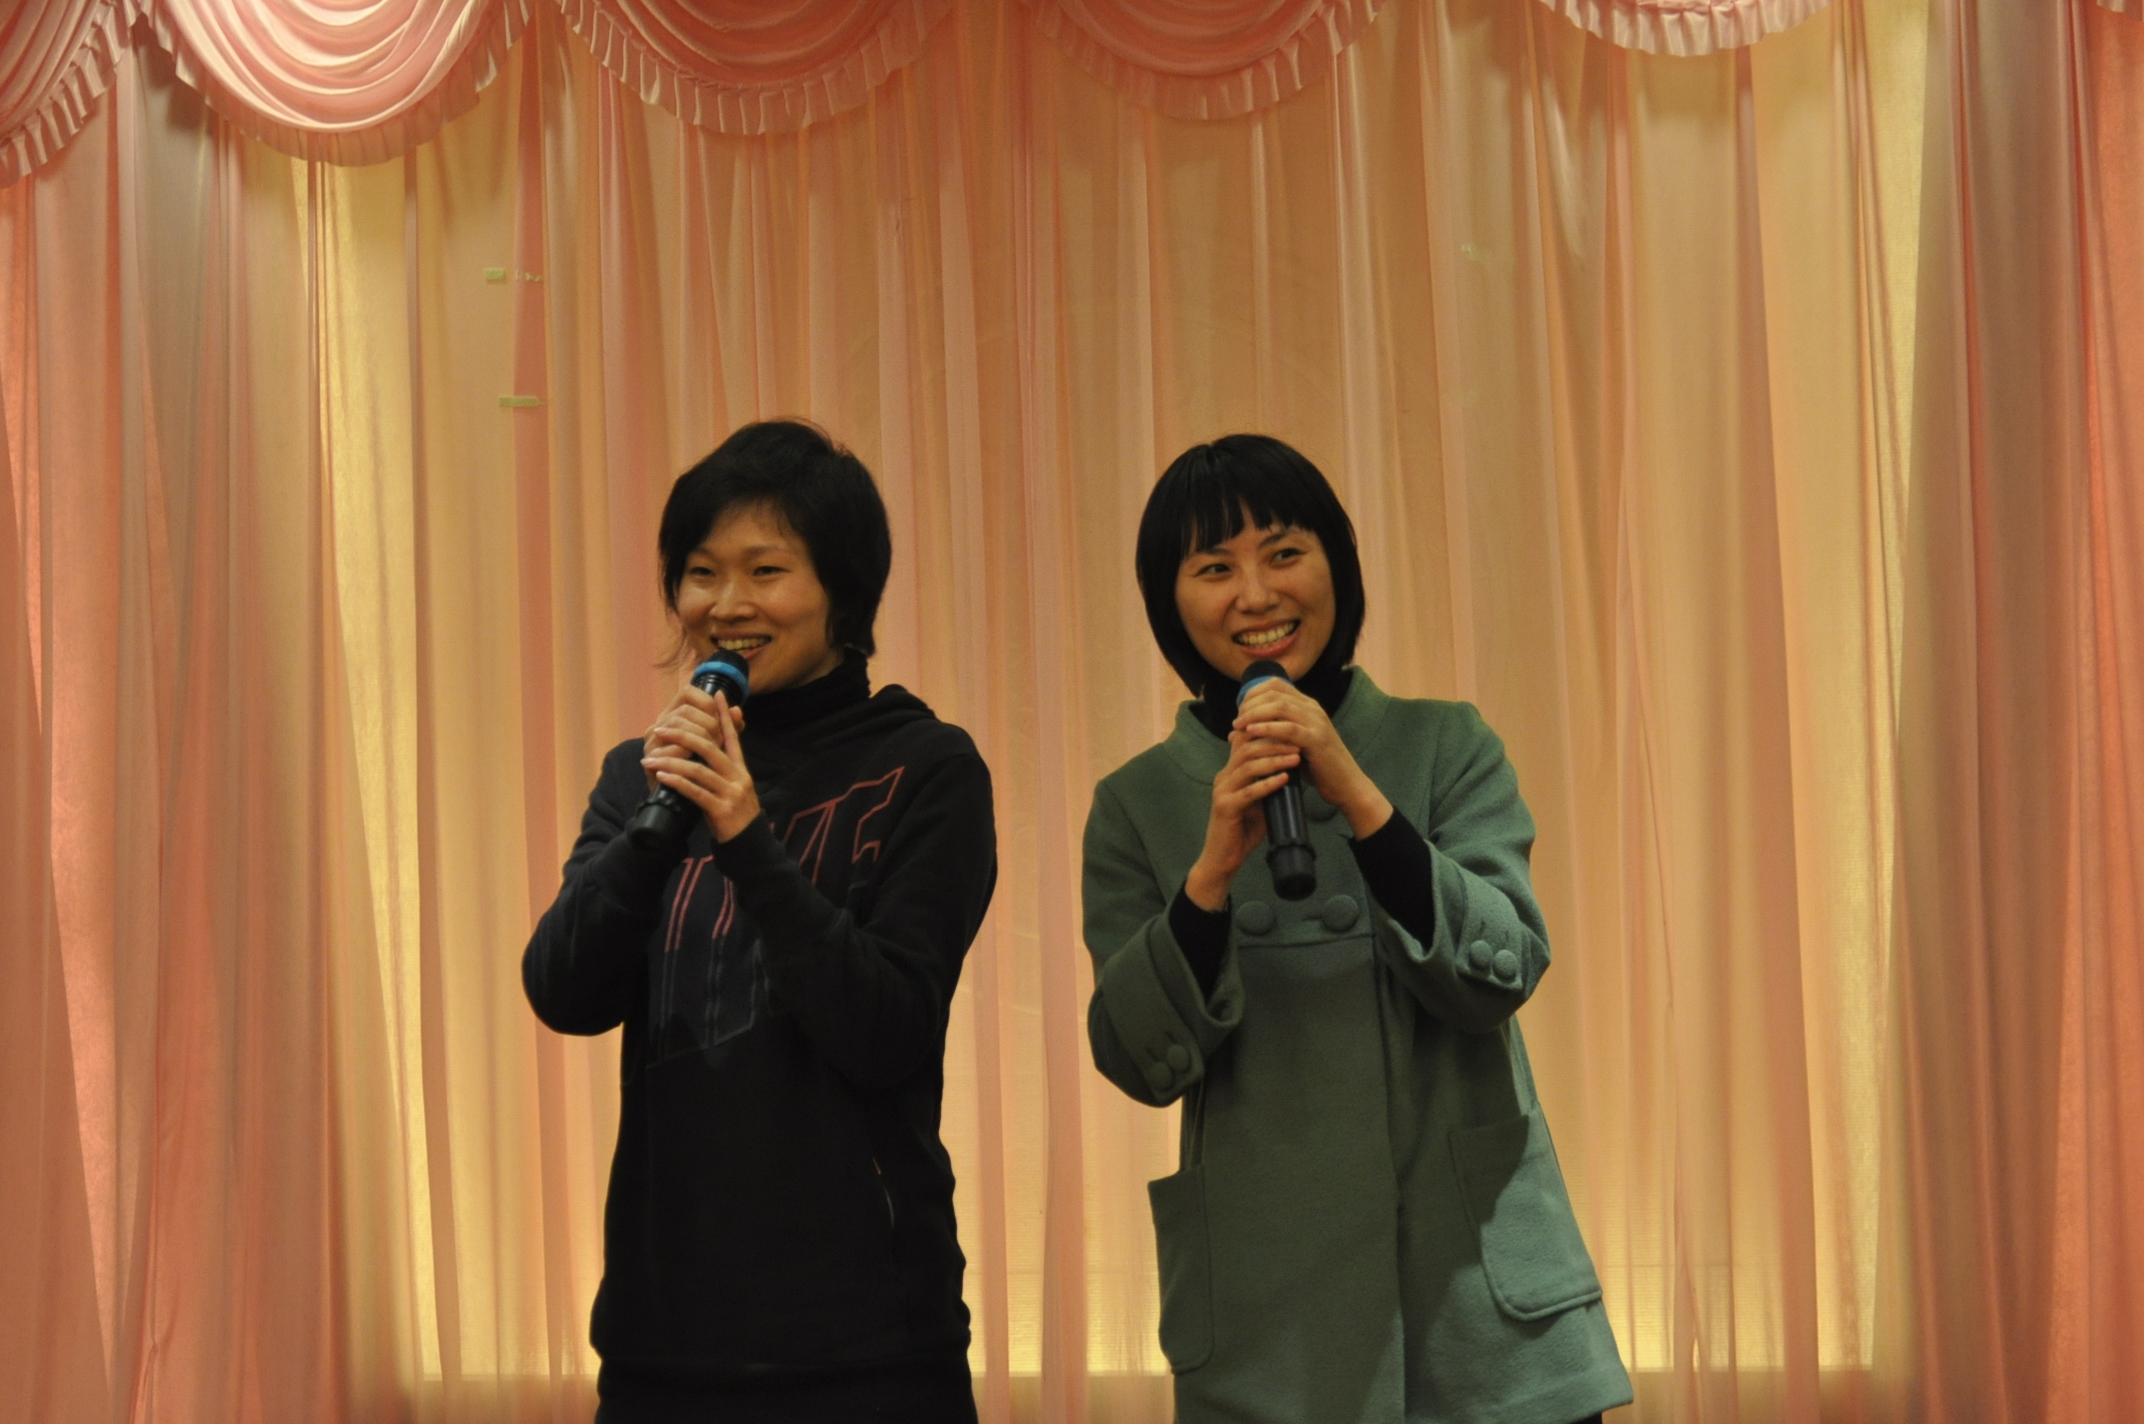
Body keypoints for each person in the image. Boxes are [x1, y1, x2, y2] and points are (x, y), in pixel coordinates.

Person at [1082, 435, 1633, 1424]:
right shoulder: (1136, 804)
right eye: (1214, 568)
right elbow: (1134, 1057)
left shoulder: (1445, 744)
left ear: (1335, 564)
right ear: (1171, 602)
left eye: (1284, 552)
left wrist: (1358, 794)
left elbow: (1503, 968)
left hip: (1481, 1317)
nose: (1256, 594)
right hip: (1270, 1333)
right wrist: (1210, 874)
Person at [523, 420, 996, 1423]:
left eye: (765, 570)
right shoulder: (645, 774)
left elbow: (887, 1028)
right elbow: (564, 990)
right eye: (701, 572)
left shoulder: (926, 768)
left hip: (869, 1351)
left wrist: (745, 834)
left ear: (842, 591)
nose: (726, 604)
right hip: (662, 1344)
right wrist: (656, 826)